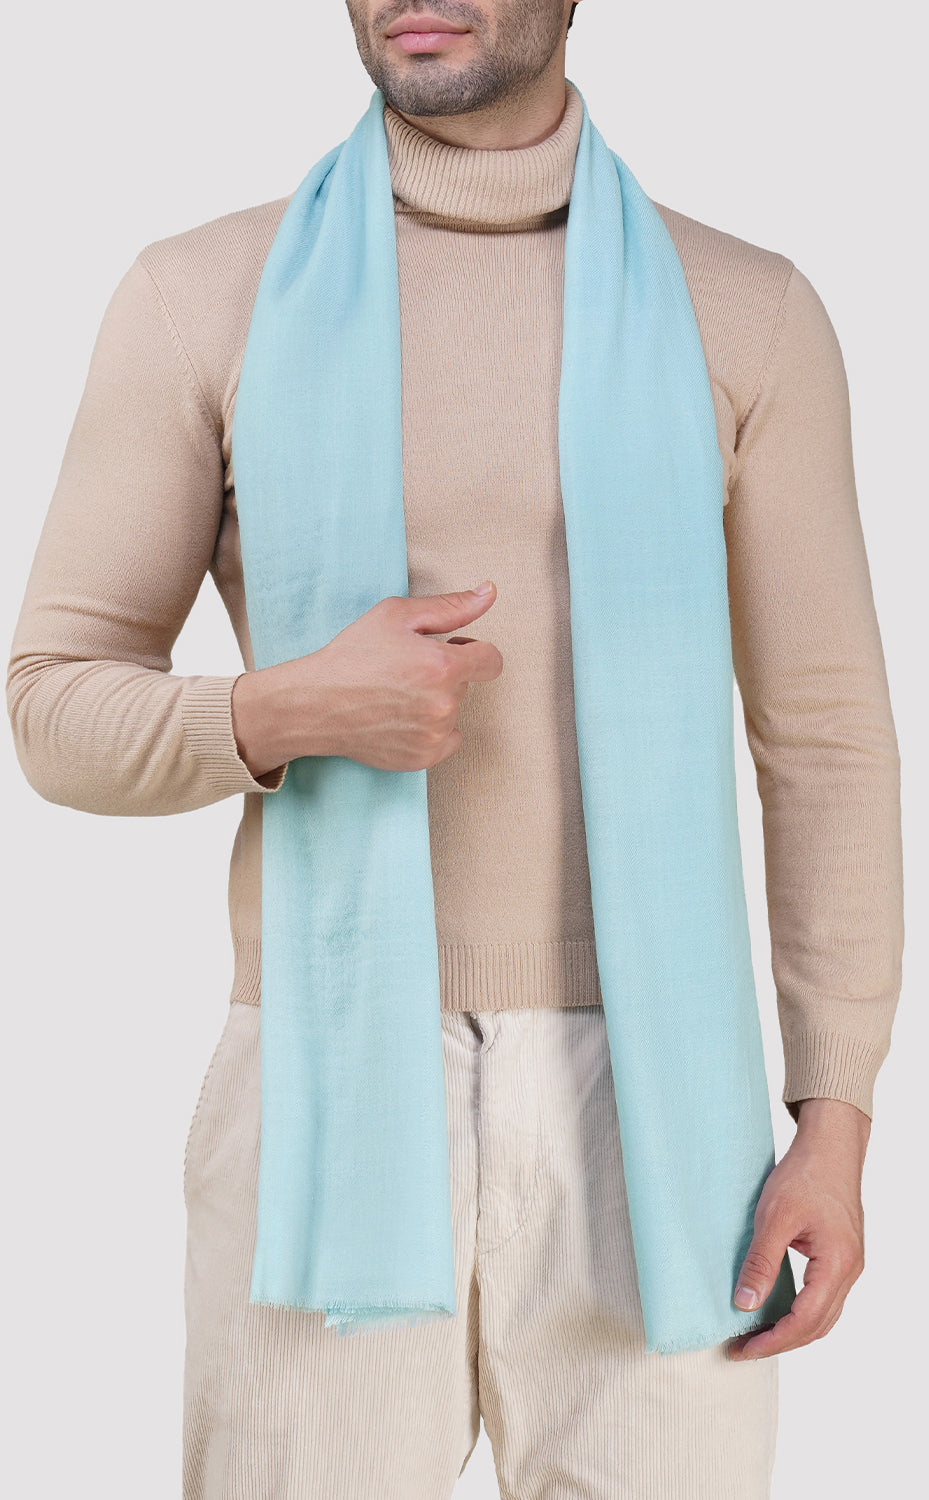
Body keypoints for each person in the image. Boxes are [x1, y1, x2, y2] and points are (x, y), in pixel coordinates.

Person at [5, 2, 903, 1496]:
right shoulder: (199, 297)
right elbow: (50, 704)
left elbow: (825, 742)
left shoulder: (747, 314)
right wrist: (285, 710)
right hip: (318, 1070)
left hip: (663, 1104)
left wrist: (837, 1114)